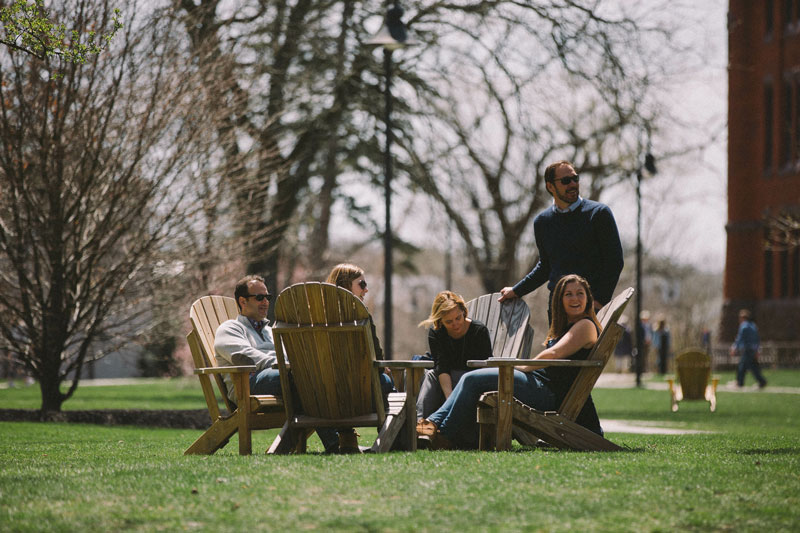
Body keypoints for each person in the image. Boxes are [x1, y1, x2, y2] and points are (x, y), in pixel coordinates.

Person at [418, 274, 604, 450]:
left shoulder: (585, 326)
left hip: (546, 392)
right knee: (471, 378)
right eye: (568, 294)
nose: (575, 299)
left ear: (588, 298)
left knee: (472, 379)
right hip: (539, 383)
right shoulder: (569, 326)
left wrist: (520, 365)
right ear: (560, 299)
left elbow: (554, 354)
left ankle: (442, 433)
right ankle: (432, 425)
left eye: (580, 293)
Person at [214, 275, 339, 453]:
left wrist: (298, 364)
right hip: (247, 384)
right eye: (259, 297)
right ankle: (335, 443)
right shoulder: (230, 329)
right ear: (242, 301)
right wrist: (285, 364)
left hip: (283, 377)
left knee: (316, 376)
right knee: (302, 377)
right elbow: (245, 356)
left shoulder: (270, 331)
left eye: (268, 297)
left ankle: (339, 441)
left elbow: (290, 354)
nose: (265, 302)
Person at [498, 160, 623, 319]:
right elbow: (545, 267)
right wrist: (517, 290)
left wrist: (599, 302)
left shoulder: (599, 214)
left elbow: (614, 262)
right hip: (558, 312)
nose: (572, 184)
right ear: (550, 186)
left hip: (591, 309)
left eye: (575, 178)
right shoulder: (543, 222)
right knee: (555, 346)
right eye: (566, 181)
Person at [325, 263, 395, 452]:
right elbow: (375, 354)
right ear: (346, 285)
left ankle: (342, 437)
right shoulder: (361, 314)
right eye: (362, 284)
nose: (366, 289)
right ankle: (392, 439)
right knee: (388, 384)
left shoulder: (313, 316)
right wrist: (382, 369)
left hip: (321, 393)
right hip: (360, 391)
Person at [415, 291, 492, 421]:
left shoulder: (479, 331)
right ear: (440, 322)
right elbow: (442, 367)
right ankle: (420, 424)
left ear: (464, 312)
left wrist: (451, 403)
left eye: (458, 318)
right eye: (449, 321)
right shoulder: (436, 333)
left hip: (472, 379)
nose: (455, 324)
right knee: (430, 375)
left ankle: (431, 423)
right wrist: (450, 398)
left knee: (462, 377)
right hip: (447, 378)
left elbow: (485, 368)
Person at [730, 309, 767, 388]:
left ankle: (739, 383)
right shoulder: (753, 326)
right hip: (753, 350)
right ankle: (762, 381)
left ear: (743, 318)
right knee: (753, 367)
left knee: (742, 366)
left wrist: (734, 347)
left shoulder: (744, 326)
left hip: (747, 349)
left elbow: (739, 338)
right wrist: (757, 350)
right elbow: (757, 339)